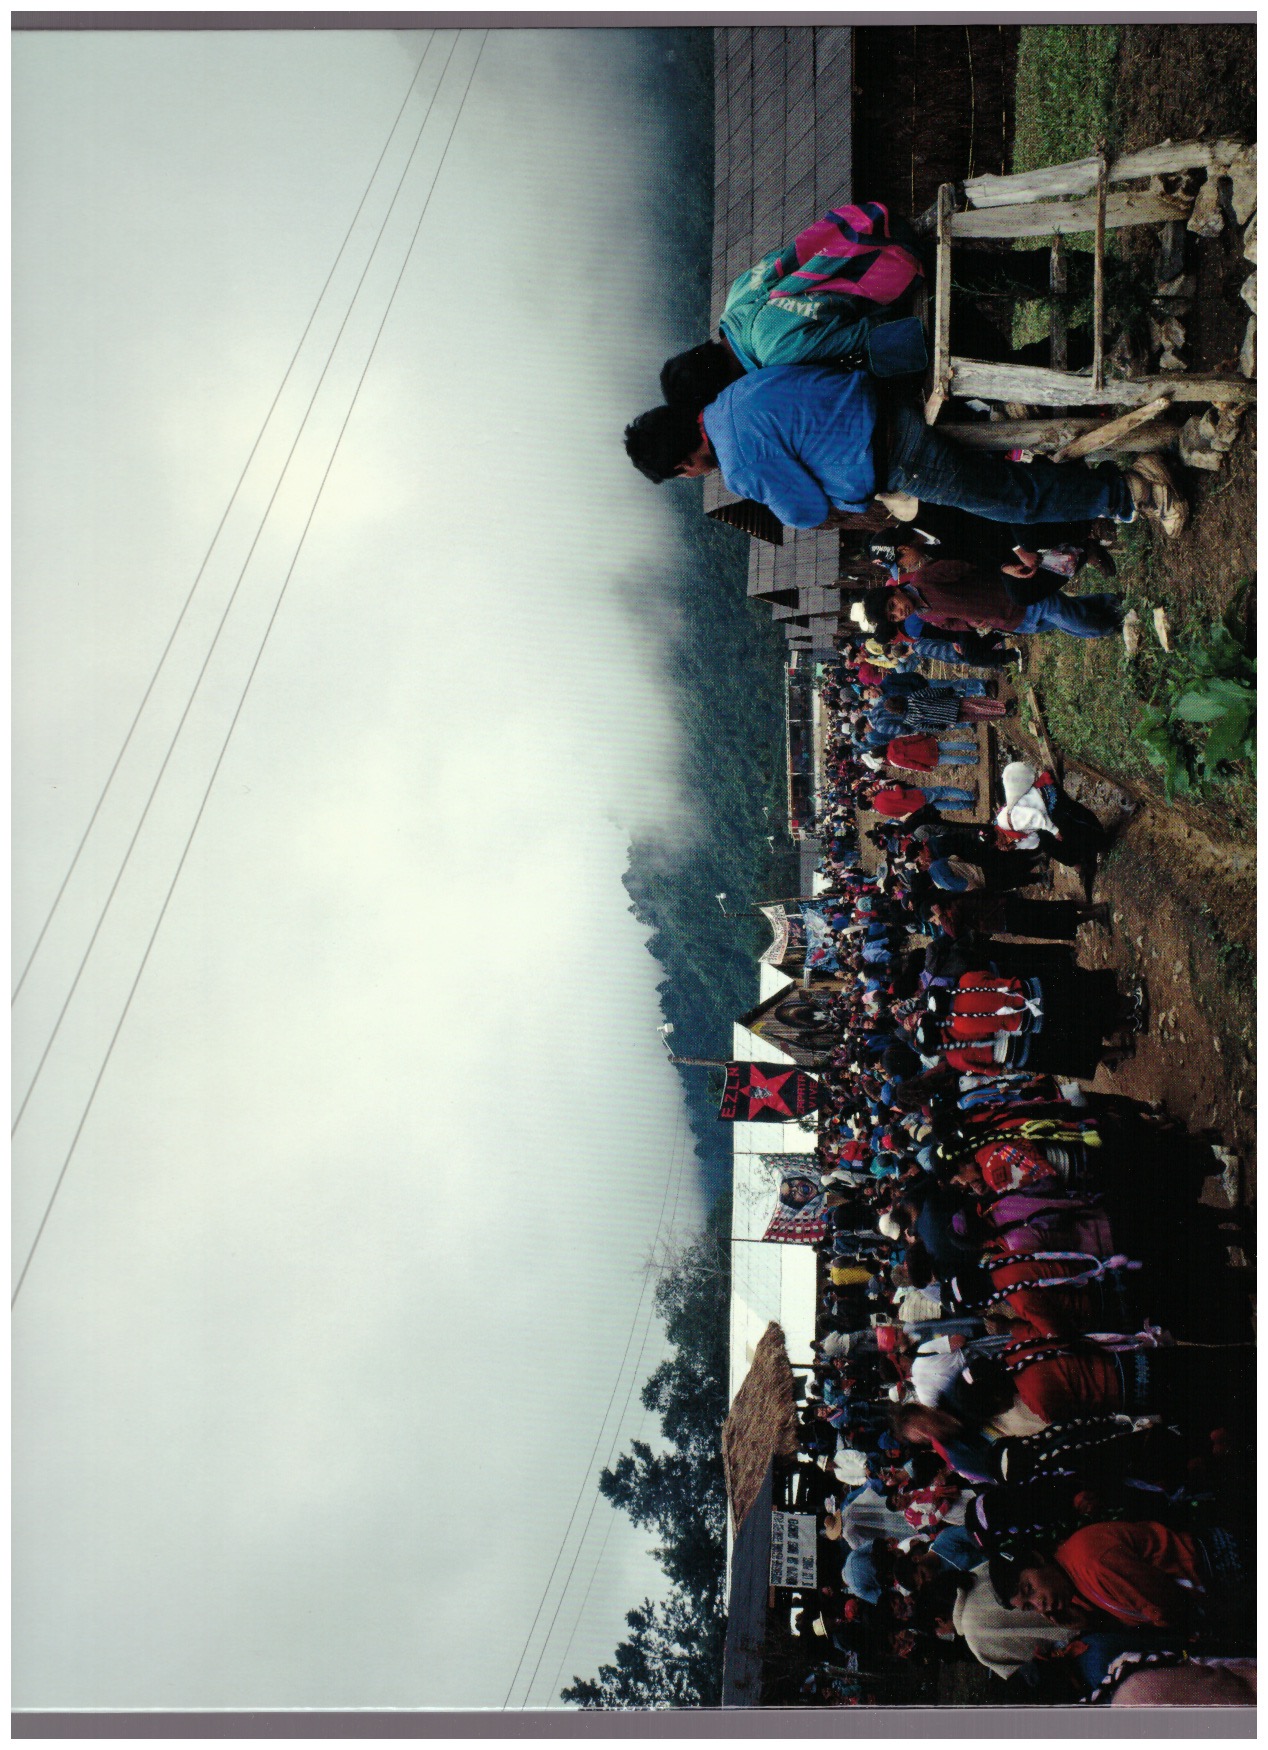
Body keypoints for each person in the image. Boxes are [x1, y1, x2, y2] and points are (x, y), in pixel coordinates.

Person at [624, 364, 1187, 536]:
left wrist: (852, 514)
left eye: (684, 476)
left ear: (683, 463)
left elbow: (804, 511)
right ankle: (1115, 478)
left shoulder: (740, 464)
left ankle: (1129, 490)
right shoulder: (736, 393)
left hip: (897, 456)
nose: (696, 478)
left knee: (1008, 501)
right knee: (1003, 468)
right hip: (892, 405)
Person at [863, 565, 1125, 643]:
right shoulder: (926, 615)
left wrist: (1006, 573)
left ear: (895, 591)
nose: (899, 612)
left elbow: (966, 564)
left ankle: (1118, 624)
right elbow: (951, 624)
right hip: (1011, 621)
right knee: (1064, 619)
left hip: (1017, 596)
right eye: (894, 617)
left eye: (892, 605)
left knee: (1073, 621)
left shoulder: (926, 578)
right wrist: (969, 623)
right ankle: (1112, 603)